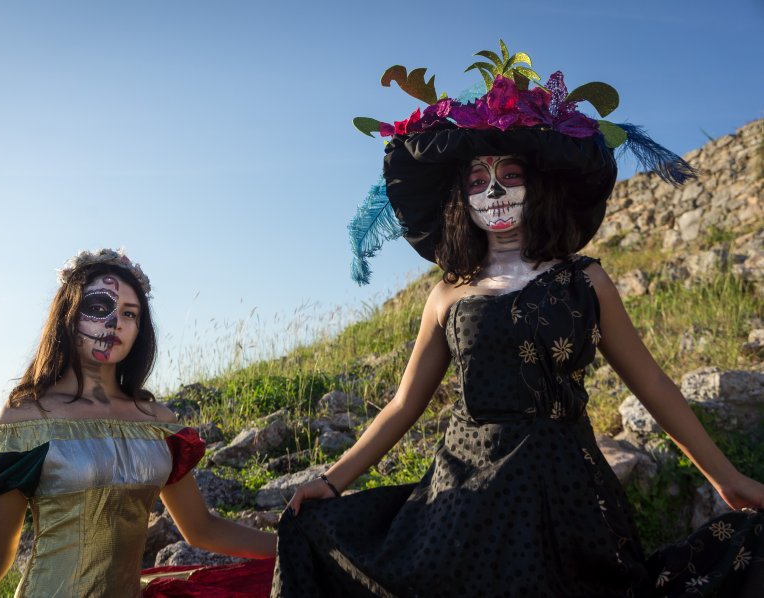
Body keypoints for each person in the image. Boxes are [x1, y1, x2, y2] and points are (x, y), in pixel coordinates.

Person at [272, 49, 764, 597]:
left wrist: (727, 477)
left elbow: (651, 385)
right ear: (462, 197)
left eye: (510, 175)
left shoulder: (587, 281)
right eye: (478, 180)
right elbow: (403, 404)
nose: (495, 190)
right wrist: (331, 480)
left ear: (541, 187)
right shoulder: (446, 294)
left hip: (566, 494)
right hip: (465, 497)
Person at [0, 248, 276, 598]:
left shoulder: (156, 421)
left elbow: (201, 528)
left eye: (129, 314)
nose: (115, 322)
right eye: (99, 308)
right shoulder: (27, 418)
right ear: (67, 316)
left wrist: (294, 546)